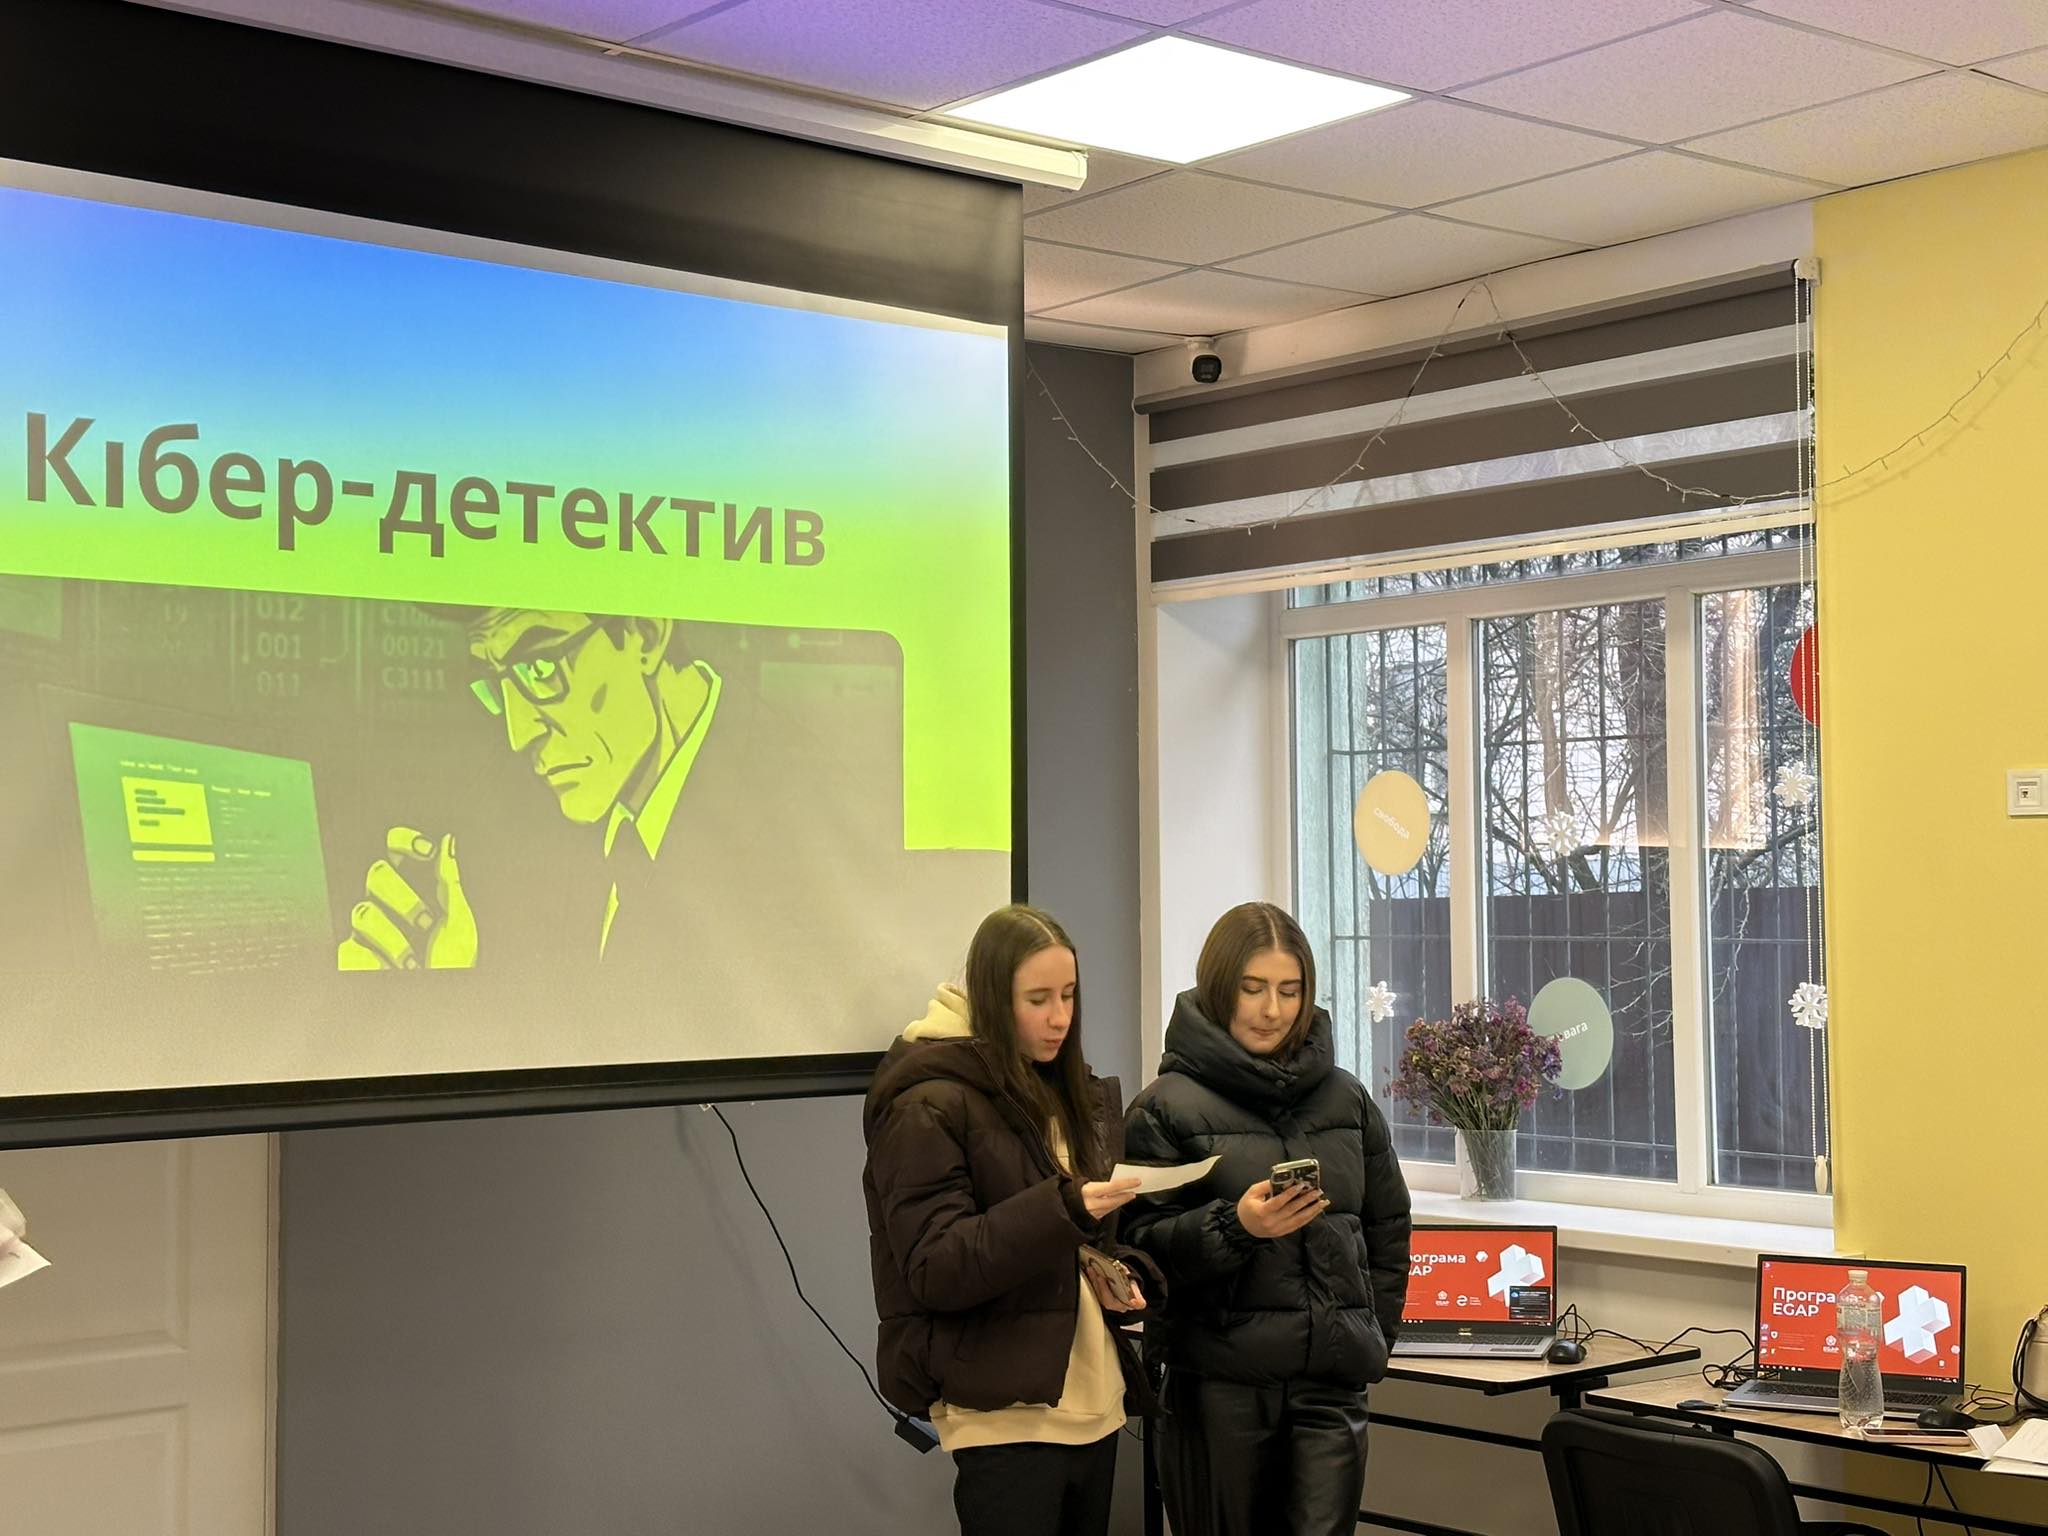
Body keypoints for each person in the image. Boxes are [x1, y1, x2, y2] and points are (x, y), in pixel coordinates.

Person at [862, 904, 1162, 1536]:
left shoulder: (1063, 1086)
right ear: (994, 999)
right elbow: (936, 1267)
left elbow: (1075, 1239)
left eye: (1069, 995)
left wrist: (1120, 1273)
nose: (1060, 1017)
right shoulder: (926, 1104)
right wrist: (1064, 1208)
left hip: (1093, 1399)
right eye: (1038, 999)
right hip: (1003, 1412)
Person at [1122, 901, 1411, 1536]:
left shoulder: (1347, 1099)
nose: (1272, 1009)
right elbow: (1139, 1252)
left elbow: (1388, 1230)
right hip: (1218, 1387)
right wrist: (1237, 1228)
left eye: (1289, 990)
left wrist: (1373, 1334)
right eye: (1252, 989)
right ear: (1219, 988)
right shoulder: (1163, 1109)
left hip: (1329, 1386)